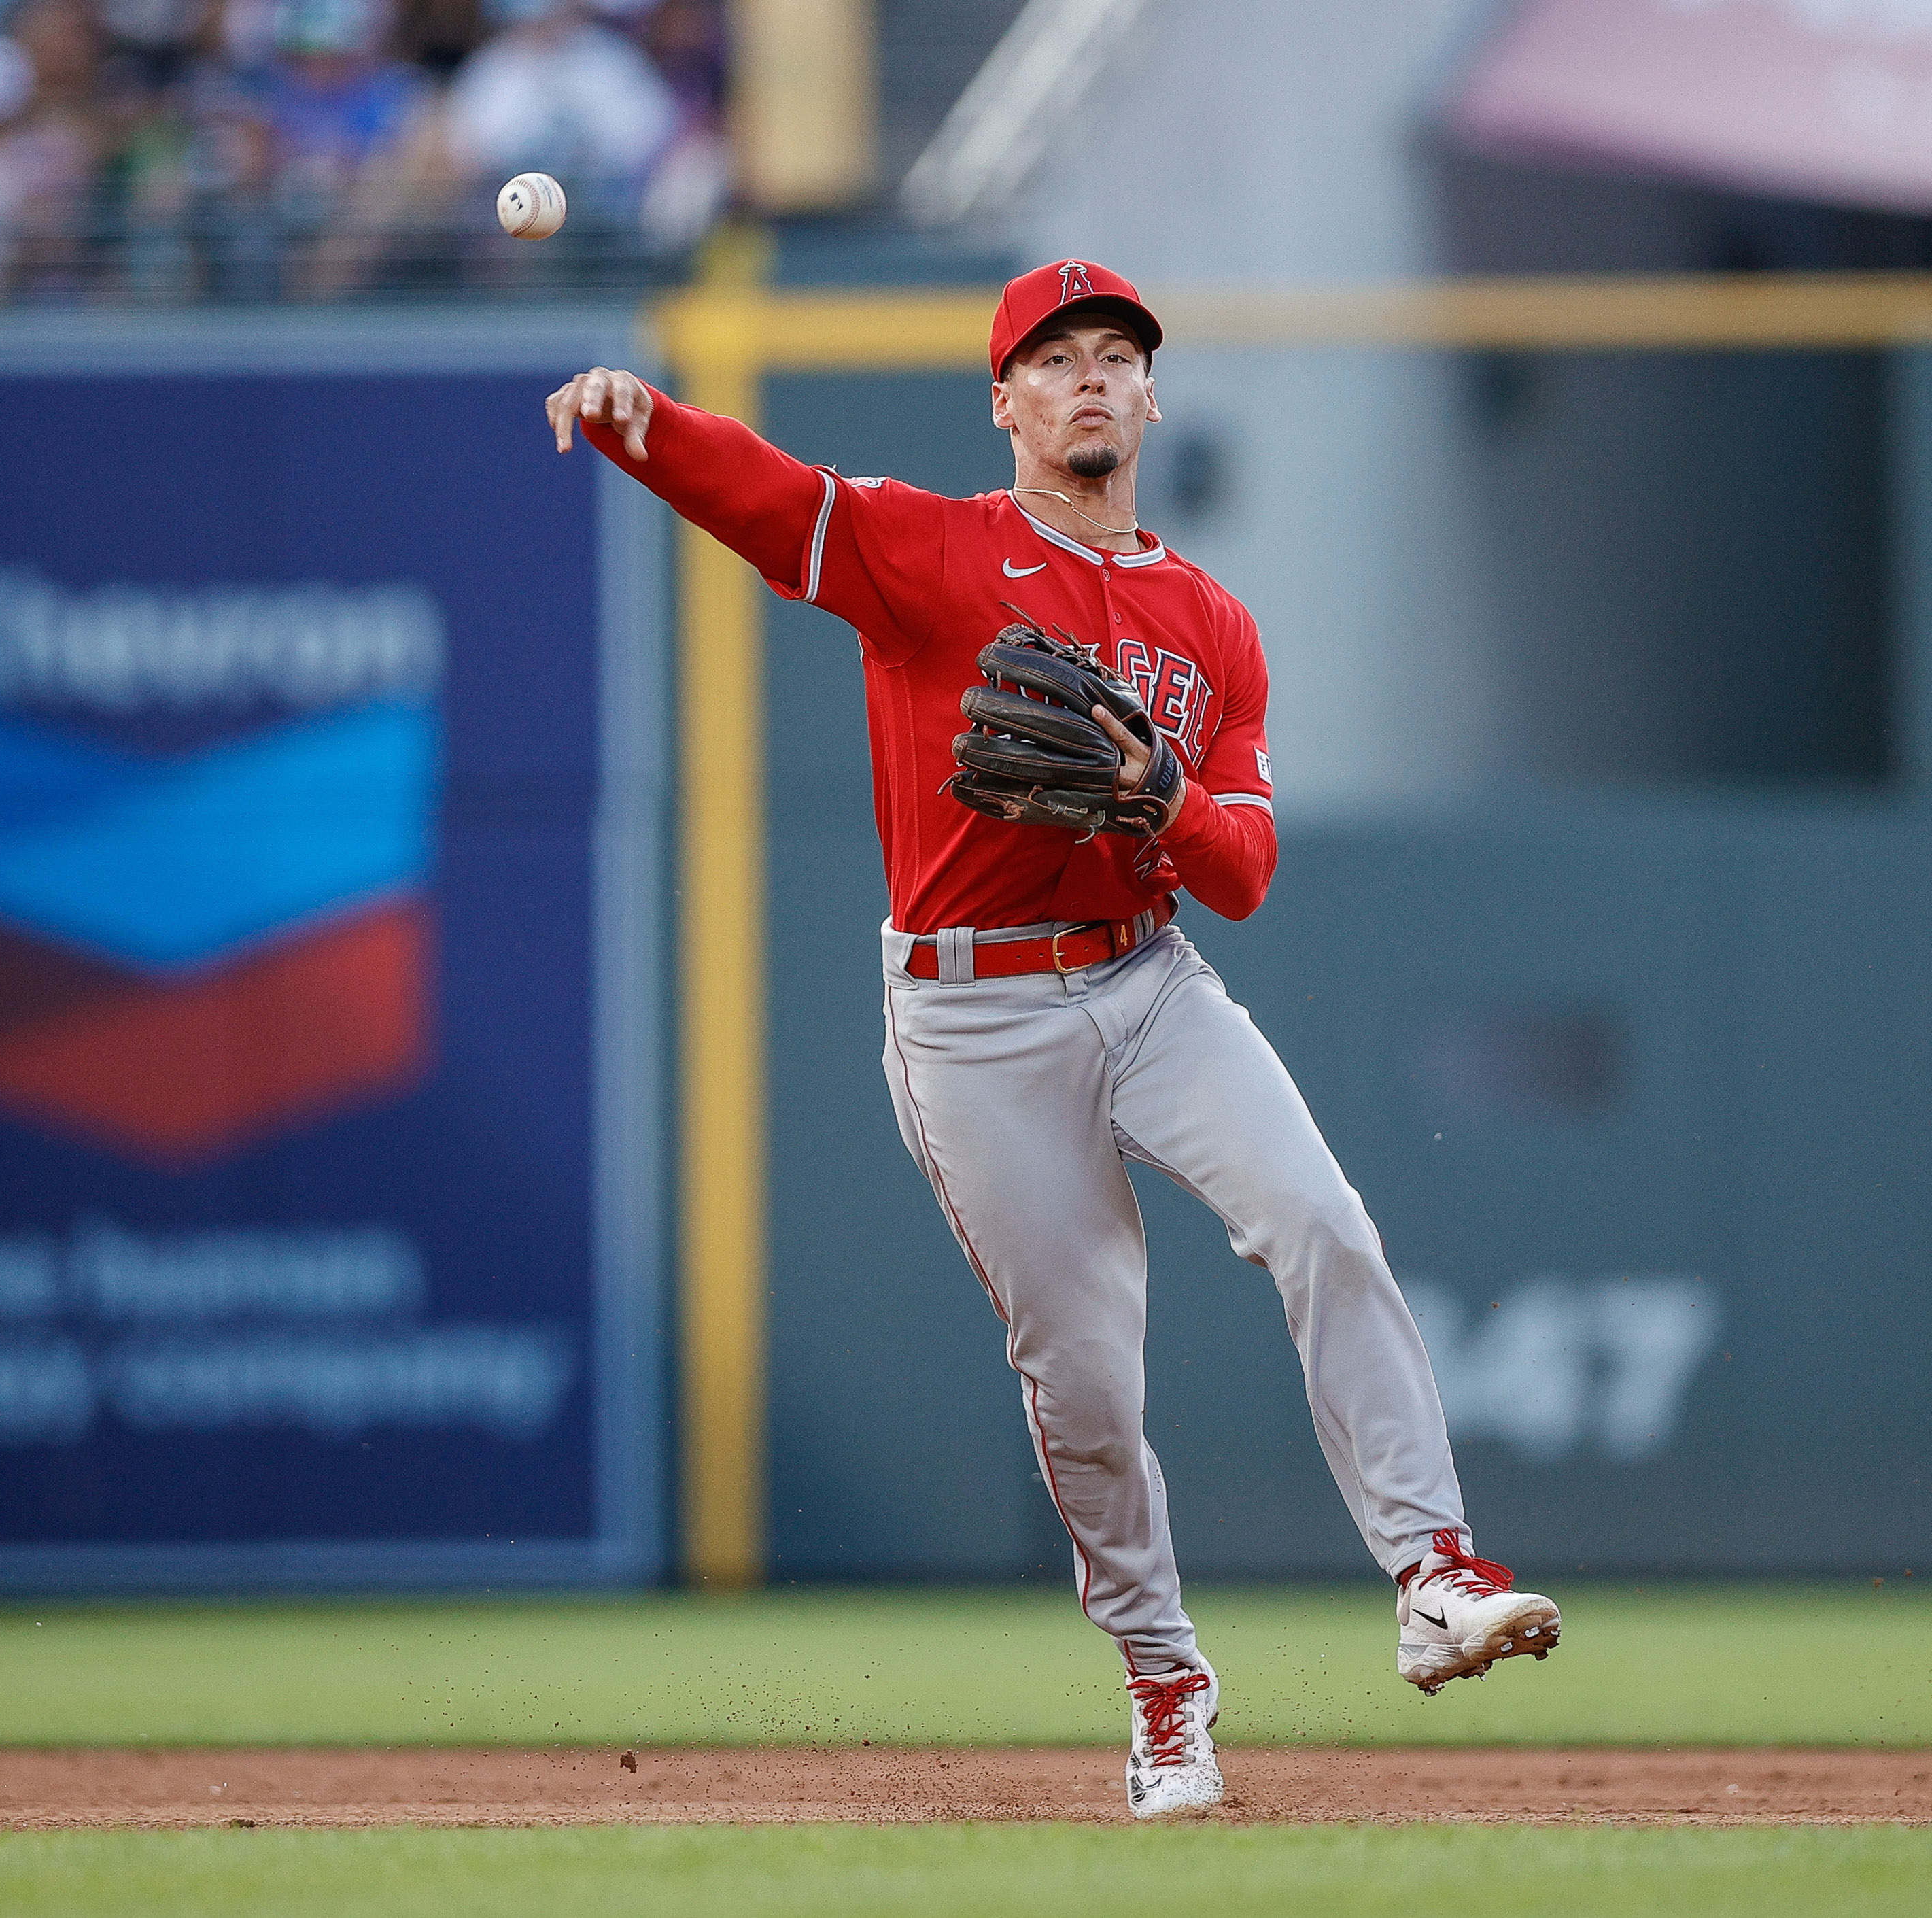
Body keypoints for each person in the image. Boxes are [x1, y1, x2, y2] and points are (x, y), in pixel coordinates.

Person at [546, 260, 1565, 1819]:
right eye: (1055, 358)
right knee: (1085, 1380)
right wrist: (645, 424)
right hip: (971, 1015)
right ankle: (1167, 1688)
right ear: (1005, 401)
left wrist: (1160, 798)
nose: (1090, 378)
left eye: (1116, 357)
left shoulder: (1213, 625)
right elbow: (772, 500)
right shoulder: (930, 549)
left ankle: (1433, 1571)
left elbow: (1246, 872)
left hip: (1147, 980)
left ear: (1150, 399)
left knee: (1321, 1220)